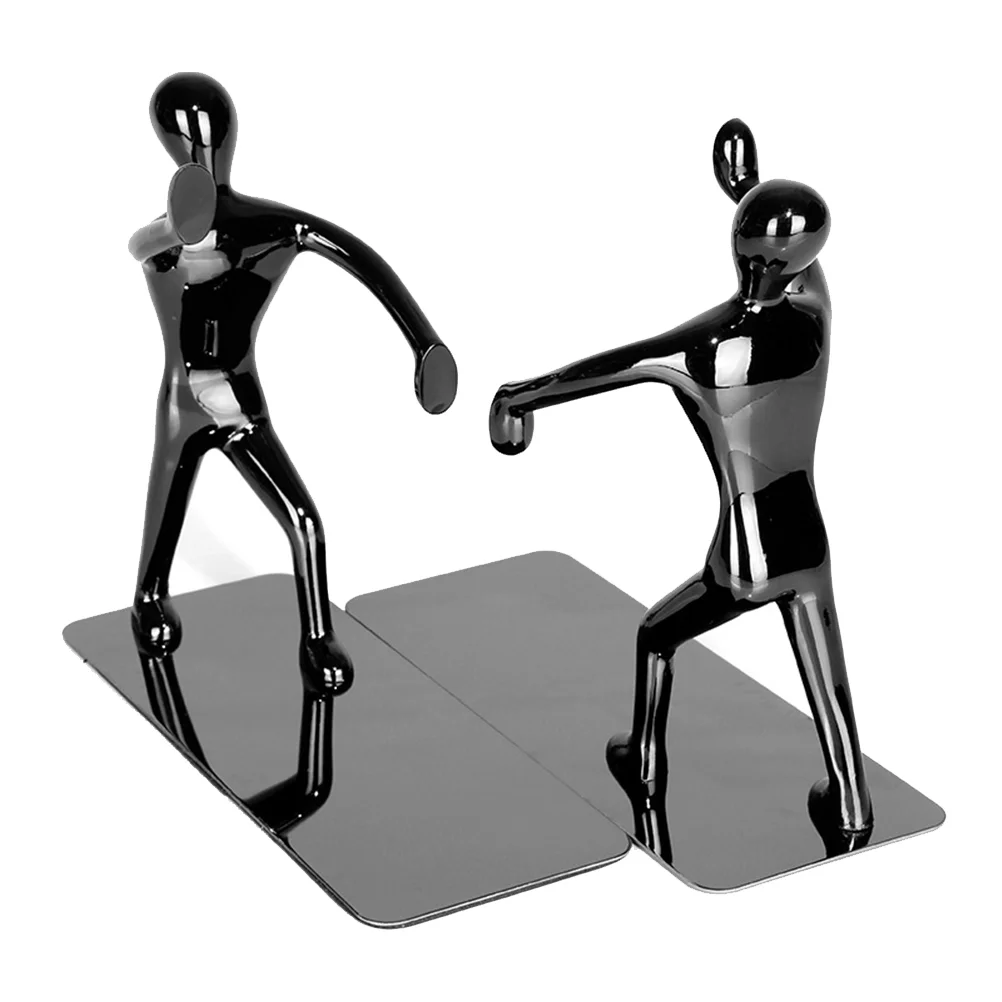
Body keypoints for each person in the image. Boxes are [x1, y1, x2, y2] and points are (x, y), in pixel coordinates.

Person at [490, 120, 871, 834]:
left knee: (655, 637)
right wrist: (744, 185)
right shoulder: (816, 317)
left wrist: (519, 399)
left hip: (746, 557)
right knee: (827, 678)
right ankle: (851, 798)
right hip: (808, 546)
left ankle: (643, 760)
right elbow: (798, 254)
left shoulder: (708, 346)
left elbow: (616, 366)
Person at [130, 73, 457, 694]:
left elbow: (354, 254)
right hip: (184, 402)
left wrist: (422, 340)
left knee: (302, 518)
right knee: (179, 519)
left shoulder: (267, 227)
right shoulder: (164, 235)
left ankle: (316, 639)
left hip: (235, 404)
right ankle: (149, 597)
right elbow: (144, 244)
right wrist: (422, 340)